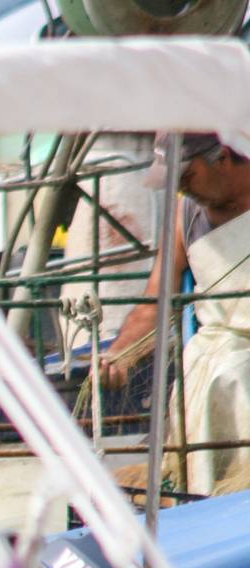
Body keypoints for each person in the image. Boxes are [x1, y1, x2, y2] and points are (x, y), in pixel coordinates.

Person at [100, 133, 250, 494]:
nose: (183, 189)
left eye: (188, 176)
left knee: (234, 372)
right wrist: (119, 354)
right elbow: (157, 298)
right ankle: (207, 495)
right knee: (213, 368)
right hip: (214, 351)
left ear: (224, 158)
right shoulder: (186, 214)